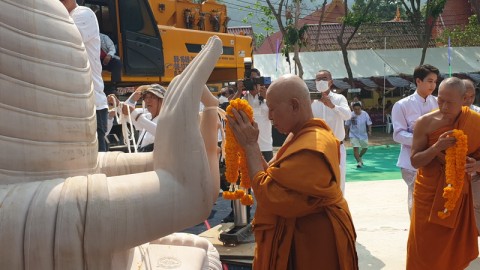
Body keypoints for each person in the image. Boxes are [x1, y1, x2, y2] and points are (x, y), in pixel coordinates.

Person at [227, 74, 358, 269]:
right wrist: (250, 146)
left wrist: (251, 145)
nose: (270, 117)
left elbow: (270, 196)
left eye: (273, 109)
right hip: (300, 238)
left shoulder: (315, 144)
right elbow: (273, 175)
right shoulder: (297, 137)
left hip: (313, 247)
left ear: (295, 106)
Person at [407, 77, 480, 269]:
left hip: (458, 193)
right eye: (440, 100)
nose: (444, 106)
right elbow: (415, 161)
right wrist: (436, 148)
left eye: (450, 102)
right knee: (423, 247)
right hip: (428, 192)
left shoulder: (474, 122)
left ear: (465, 99)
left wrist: (476, 166)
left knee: (452, 250)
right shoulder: (425, 122)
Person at [60, 0, 109, 152]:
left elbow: (62, 39)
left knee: (95, 164)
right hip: (74, 105)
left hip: (91, 106)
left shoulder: (83, 14)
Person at [391, 64, 440, 216]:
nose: (433, 85)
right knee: (417, 200)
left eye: (435, 81)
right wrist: (423, 140)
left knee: (434, 200)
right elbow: (398, 134)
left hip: (436, 159)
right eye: (429, 81)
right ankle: (416, 235)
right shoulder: (402, 105)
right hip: (411, 162)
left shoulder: (439, 103)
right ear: (418, 81)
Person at [311, 70, 351, 193]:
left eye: (324, 78)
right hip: (317, 147)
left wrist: (333, 106)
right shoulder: (311, 100)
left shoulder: (339, 99)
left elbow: (348, 115)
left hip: (336, 146)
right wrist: (307, 104)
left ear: (331, 81)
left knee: (339, 179)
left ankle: (338, 209)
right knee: (318, 179)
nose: (321, 81)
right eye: (318, 79)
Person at [109, 84, 165, 152]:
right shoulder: (147, 117)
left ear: (162, 100)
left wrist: (136, 115)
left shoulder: (167, 118)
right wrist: (129, 100)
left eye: (152, 97)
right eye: (146, 97)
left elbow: (161, 132)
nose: (148, 100)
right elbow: (126, 113)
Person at [463, 78, 480, 234]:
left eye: (472, 96)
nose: (468, 101)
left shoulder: (478, 114)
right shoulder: (445, 117)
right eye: (464, 97)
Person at [345, 103, 372, 168]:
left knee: (365, 148)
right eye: (355, 109)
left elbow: (369, 123)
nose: (357, 111)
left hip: (363, 134)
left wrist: (369, 130)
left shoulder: (365, 114)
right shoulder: (350, 115)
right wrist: (345, 133)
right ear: (353, 109)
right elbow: (347, 125)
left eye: (358, 109)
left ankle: (359, 156)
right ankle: (359, 162)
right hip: (353, 134)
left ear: (361, 108)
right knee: (355, 148)